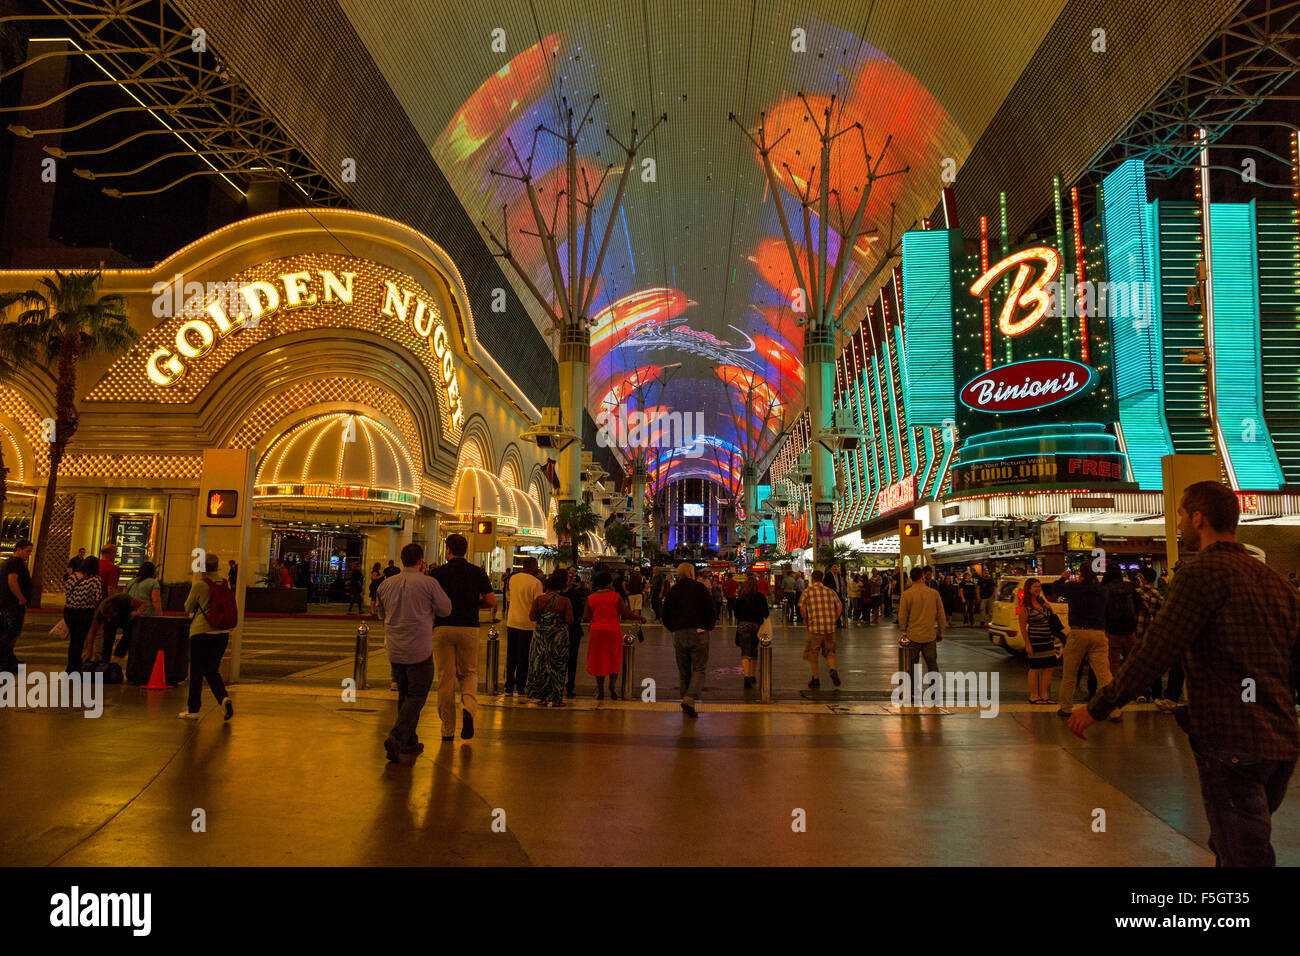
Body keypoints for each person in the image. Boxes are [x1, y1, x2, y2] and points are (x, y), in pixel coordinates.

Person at [1069, 481, 1300, 866]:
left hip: (1231, 740)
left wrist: (1098, 706)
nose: (1177, 523)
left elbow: (1156, 651)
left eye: (1179, 514)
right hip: (1280, 744)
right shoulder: (1276, 582)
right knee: (1237, 844)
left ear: (1198, 517)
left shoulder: (1200, 575)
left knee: (1244, 854)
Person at [375, 543, 451, 757]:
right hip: (419, 648)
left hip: (395, 648)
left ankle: (408, 741)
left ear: (401, 560)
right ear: (421, 561)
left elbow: (381, 614)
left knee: (404, 693)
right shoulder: (428, 583)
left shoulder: (386, 584)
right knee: (417, 694)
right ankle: (397, 737)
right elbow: (446, 609)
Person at [431, 533, 494, 740]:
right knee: (469, 673)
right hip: (469, 627)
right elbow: (491, 602)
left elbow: (430, 602)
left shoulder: (438, 573)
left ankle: (447, 729)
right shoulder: (477, 572)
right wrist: (475, 605)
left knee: (445, 677)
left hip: (443, 627)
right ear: (465, 550)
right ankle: (468, 708)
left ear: (447, 550)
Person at [1047, 563, 1114, 718]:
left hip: (1078, 633)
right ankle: (1114, 710)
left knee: (1070, 672)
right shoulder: (1102, 591)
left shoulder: (1074, 588)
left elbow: (1056, 588)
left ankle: (1066, 708)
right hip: (1099, 634)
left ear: (1081, 575)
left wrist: (1062, 578)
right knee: (1104, 674)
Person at [180, 553, 238, 721]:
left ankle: (193, 709)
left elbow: (188, 606)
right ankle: (223, 698)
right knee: (212, 669)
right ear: (217, 567)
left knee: (197, 672)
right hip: (222, 634)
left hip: (201, 632)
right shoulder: (225, 584)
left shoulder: (200, 585)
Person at [661, 563, 716, 716]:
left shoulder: (674, 590)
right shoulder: (700, 588)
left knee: (683, 671)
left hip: (679, 633)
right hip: (698, 632)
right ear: (692, 572)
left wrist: (673, 628)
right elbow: (710, 608)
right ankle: (690, 698)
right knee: (699, 668)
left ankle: (685, 700)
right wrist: (709, 626)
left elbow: (665, 613)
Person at [584, 571, 640, 700]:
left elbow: (586, 616)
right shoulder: (615, 597)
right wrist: (639, 617)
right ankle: (612, 687)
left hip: (596, 631)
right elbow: (626, 614)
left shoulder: (591, 598)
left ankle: (600, 690)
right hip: (612, 630)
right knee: (614, 658)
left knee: (599, 659)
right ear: (609, 583)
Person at [1133, 566, 1178, 708]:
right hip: (1152, 634)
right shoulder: (1158, 595)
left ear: (1143, 578)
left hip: (1138, 632)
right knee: (1153, 665)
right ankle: (1157, 693)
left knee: (1138, 664)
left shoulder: (1136, 593)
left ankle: (1141, 692)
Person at [527, 570, 574, 706]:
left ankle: (541, 697)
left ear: (546, 586)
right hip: (558, 637)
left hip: (541, 636)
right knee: (557, 667)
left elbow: (532, 616)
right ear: (559, 587)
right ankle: (556, 698)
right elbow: (569, 620)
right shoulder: (564, 601)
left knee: (540, 666)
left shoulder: (539, 600)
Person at [898, 567, 945, 681]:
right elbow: (941, 615)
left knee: (912, 665)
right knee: (932, 663)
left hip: (912, 635)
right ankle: (934, 691)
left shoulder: (906, 594)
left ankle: (913, 690)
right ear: (922, 576)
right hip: (929, 635)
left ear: (911, 578)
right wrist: (940, 632)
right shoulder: (934, 593)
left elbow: (902, 616)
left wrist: (904, 631)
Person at [505, 557, 543, 696]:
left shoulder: (512, 579)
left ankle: (508, 686)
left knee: (511, 655)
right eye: (536, 566)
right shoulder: (536, 583)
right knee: (524, 656)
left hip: (512, 621)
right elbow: (537, 604)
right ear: (532, 566)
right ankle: (521, 686)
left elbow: (509, 597)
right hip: (527, 624)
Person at [799, 569, 843, 689]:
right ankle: (832, 669)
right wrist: (833, 619)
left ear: (813, 579)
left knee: (813, 653)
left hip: (815, 628)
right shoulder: (830, 591)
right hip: (829, 628)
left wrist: (807, 621)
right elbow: (839, 607)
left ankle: (815, 678)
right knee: (830, 651)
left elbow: (802, 609)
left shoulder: (807, 592)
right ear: (822, 579)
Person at [1018, 578, 1059, 704]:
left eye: (1039, 586)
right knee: (1035, 668)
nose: (1038, 589)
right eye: (1035, 586)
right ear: (1029, 589)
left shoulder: (1042, 602)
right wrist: (1027, 643)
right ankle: (1034, 695)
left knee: (1049, 667)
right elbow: (1022, 626)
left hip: (1047, 640)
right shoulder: (1026, 606)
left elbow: (1050, 619)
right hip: (1035, 641)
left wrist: (1050, 609)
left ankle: (1044, 694)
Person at [1102, 564, 1139, 701]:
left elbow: (1103, 610)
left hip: (1112, 630)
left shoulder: (1105, 589)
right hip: (1130, 630)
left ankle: (1116, 691)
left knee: (1113, 663)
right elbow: (1138, 605)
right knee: (1132, 662)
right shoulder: (1129, 588)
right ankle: (1136, 691)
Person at [63, 556, 103, 673]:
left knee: (74, 640)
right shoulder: (95, 579)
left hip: (69, 611)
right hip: (84, 612)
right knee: (79, 640)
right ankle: (75, 667)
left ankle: (71, 666)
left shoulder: (73, 576)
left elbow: (67, 592)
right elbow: (97, 597)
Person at [0, 539, 33, 673]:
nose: (29, 554)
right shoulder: (15, 563)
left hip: (8, 603)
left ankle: (9, 660)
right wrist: (21, 598)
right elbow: (12, 581)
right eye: (27, 551)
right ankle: (4, 662)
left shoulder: (10, 562)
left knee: (9, 632)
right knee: (11, 633)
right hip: (13, 604)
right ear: (18, 549)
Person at [732, 575, 769, 690]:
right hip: (756, 626)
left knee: (745, 651)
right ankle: (753, 675)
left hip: (743, 625)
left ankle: (746, 676)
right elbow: (765, 613)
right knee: (754, 650)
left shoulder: (741, 597)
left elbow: (736, 613)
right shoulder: (760, 597)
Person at [561, 569, 589, 697]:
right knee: (568, 659)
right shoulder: (571, 594)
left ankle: (568, 685)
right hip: (567, 630)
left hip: (570, 630)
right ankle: (566, 685)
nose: (571, 579)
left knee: (569, 659)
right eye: (569, 577)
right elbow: (579, 611)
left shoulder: (571, 594)